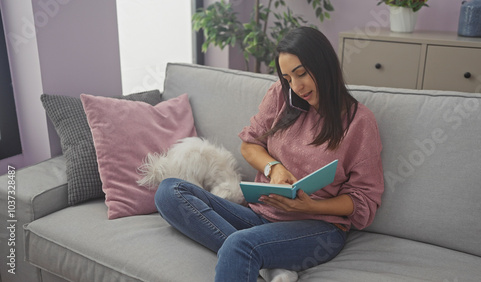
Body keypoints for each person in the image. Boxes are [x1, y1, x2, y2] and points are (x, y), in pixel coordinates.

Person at [154, 26, 384, 282]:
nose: (296, 87)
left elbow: (363, 201)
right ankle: (270, 262)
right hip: (262, 213)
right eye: (287, 78)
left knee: (238, 246)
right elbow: (249, 144)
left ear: (324, 65)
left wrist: (312, 205)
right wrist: (273, 168)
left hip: (320, 227)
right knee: (169, 192)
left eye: (301, 74)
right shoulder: (282, 96)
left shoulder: (359, 122)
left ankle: (258, 254)